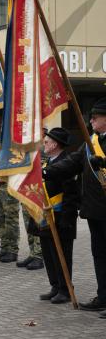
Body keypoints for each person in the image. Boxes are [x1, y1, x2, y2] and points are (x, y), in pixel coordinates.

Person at [44, 97, 106, 315]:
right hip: (95, 210)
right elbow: (72, 163)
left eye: (96, 118)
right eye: (91, 118)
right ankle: (103, 296)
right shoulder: (91, 141)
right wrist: (45, 171)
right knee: (99, 254)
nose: (91, 121)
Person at [37, 128, 79, 304]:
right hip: (47, 216)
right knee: (48, 253)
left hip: (61, 217)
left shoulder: (67, 162)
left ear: (54, 144)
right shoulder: (47, 162)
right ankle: (55, 285)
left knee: (62, 253)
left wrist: (67, 220)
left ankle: (65, 289)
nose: (44, 144)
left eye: (46, 142)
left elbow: (71, 194)